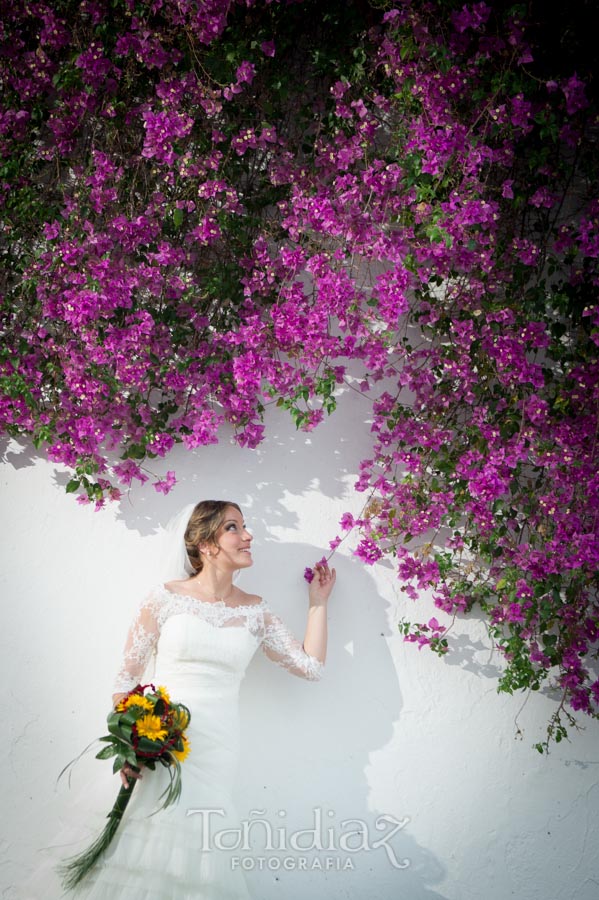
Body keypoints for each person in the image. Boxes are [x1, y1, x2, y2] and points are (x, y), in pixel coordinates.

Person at [27, 499, 336, 899]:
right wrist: (129, 743)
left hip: (216, 747)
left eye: (245, 526)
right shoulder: (165, 598)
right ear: (206, 544)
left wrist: (318, 603)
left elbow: (310, 667)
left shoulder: (255, 611)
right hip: (158, 742)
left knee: (195, 853)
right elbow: (126, 677)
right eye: (234, 528)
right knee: (139, 846)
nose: (248, 535)